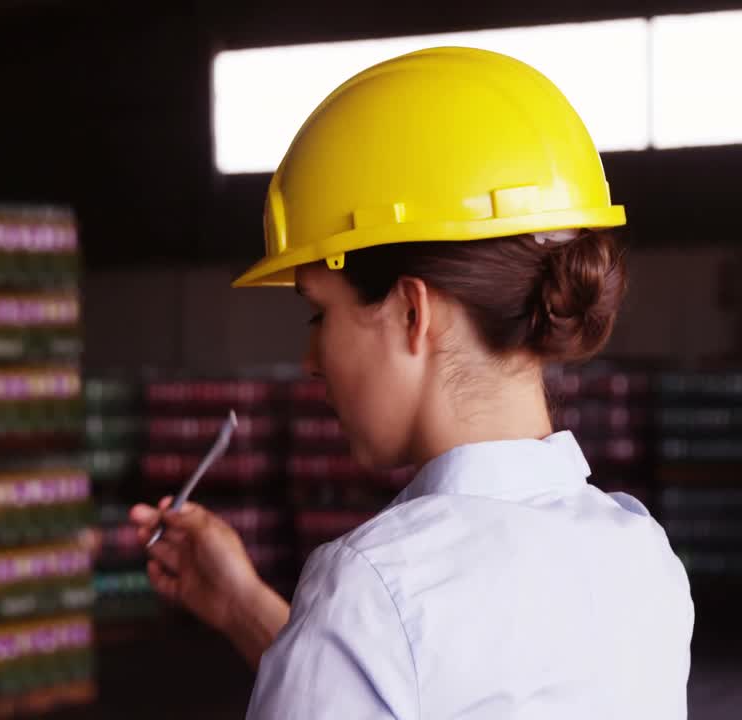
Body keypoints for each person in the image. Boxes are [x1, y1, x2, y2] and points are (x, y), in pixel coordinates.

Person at [131, 46, 693, 719]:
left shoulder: (372, 588)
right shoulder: (641, 558)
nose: (312, 357)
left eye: (320, 312)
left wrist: (322, 617)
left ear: (409, 311)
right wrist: (242, 603)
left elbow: (392, 652)